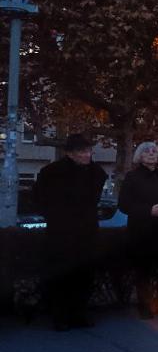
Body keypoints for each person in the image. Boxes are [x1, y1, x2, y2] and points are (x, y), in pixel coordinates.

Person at [33, 134, 107, 330]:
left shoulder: (96, 172)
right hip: (61, 232)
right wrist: (55, 216)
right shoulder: (51, 172)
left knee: (84, 274)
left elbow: (93, 198)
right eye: (82, 151)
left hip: (86, 232)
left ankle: (79, 313)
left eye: (88, 151)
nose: (87, 155)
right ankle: (60, 315)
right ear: (70, 153)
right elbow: (39, 199)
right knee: (62, 274)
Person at [118, 142, 158, 318]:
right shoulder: (132, 177)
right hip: (142, 232)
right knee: (143, 271)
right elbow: (124, 204)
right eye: (146, 151)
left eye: (154, 151)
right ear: (139, 156)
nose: (151, 153)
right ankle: (144, 306)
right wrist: (149, 211)